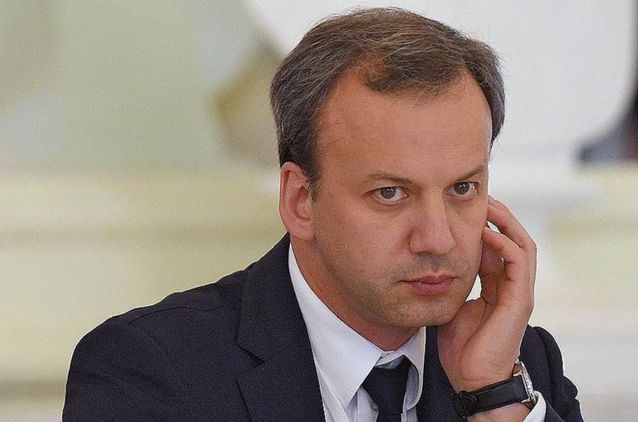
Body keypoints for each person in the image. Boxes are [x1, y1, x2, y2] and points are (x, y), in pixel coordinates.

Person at [63, 7, 582, 422]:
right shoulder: (152, 370)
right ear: (300, 200)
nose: (437, 238)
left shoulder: (519, 366)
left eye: (462, 188)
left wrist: (494, 397)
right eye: (390, 194)